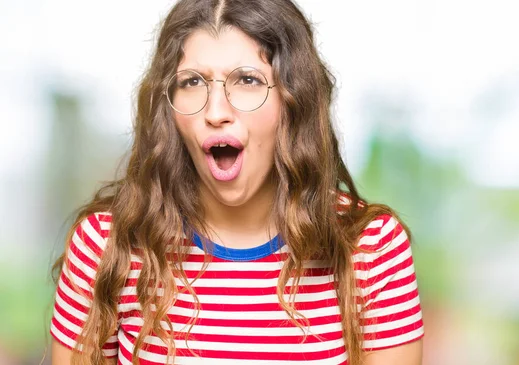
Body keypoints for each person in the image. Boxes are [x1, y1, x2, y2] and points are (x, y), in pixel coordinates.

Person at [49, 0, 424, 364]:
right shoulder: (107, 246)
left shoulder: (371, 248)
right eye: (193, 81)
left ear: (294, 101)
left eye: (247, 80)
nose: (215, 112)